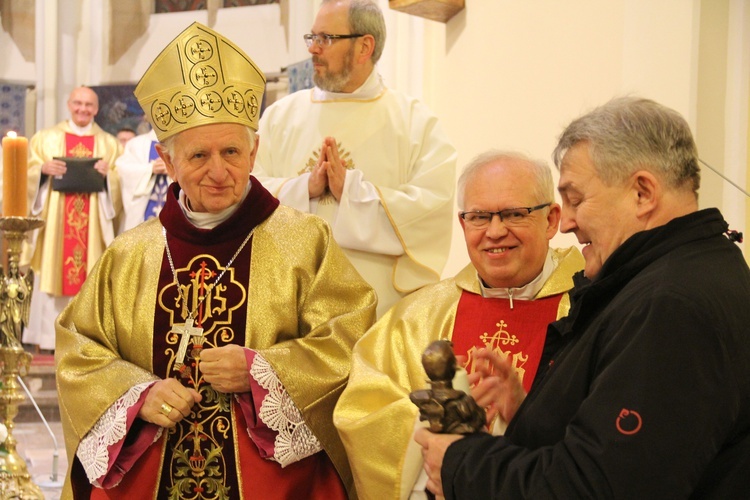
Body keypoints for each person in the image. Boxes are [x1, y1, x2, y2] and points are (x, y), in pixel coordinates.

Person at [54, 22, 377, 499]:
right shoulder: (130, 255)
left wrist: (262, 370)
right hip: (151, 475)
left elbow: (351, 335)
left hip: (272, 479)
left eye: (231, 151)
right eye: (198, 155)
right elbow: (78, 351)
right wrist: (138, 395)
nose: (219, 171)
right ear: (166, 157)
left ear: (254, 149)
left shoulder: (304, 241)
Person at [416, 97, 750, 499]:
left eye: (575, 200)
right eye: (480, 217)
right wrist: (530, 413)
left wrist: (459, 463)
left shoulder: (673, 305)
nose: (568, 222)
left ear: (643, 193)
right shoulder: (682, 272)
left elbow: (598, 487)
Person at [334, 151, 584, 499]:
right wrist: (442, 421)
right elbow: (362, 412)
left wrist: (516, 416)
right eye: (479, 217)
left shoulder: (588, 311)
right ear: (463, 223)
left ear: (551, 220)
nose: (495, 232)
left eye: (514, 214)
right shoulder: (419, 315)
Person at [254, 0, 457, 317]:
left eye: (326, 39)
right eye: (312, 37)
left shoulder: (414, 122)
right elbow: (245, 192)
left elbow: (432, 207)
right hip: (289, 311)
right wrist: (304, 188)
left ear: (365, 46)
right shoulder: (280, 117)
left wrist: (352, 193)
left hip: (379, 317)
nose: (313, 50)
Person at [24, 86, 121, 352]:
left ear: (97, 109)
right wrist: (42, 172)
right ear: (69, 104)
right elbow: (28, 172)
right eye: (78, 103)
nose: (83, 109)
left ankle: (83, 339)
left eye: (89, 105)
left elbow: (121, 183)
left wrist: (108, 177)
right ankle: (47, 338)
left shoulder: (109, 144)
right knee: (53, 270)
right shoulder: (46, 139)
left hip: (93, 226)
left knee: (89, 277)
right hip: (55, 224)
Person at [115, 128, 172, 232]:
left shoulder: (181, 143)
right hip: (141, 214)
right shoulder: (136, 144)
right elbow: (123, 169)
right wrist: (150, 169)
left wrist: (172, 170)